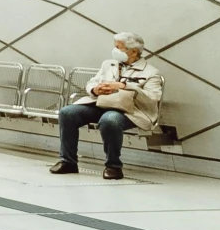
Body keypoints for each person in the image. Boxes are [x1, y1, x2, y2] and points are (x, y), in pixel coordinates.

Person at [51, 32, 161, 180]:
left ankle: (113, 166)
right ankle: (68, 161)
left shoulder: (151, 72)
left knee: (110, 120)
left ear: (134, 51)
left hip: (130, 110)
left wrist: (125, 86)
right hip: (102, 103)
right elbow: (93, 82)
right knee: (67, 113)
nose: (115, 50)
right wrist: (95, 89)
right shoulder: (109, 64)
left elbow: (153, 97)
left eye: (119, 48)